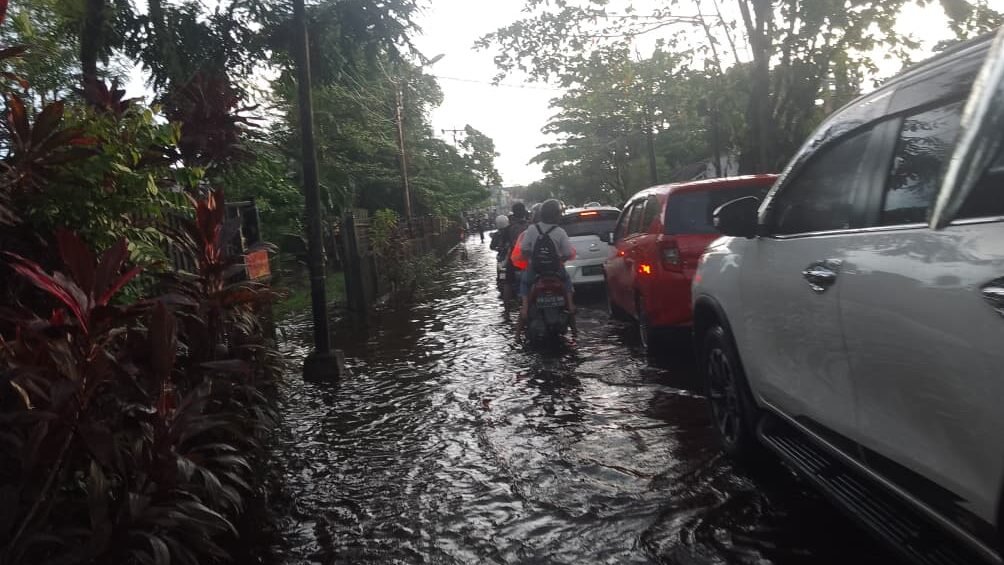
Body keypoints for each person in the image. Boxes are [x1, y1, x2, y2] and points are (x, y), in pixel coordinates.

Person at [515, 199, 576, 323]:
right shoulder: (560, 232)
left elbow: (524, 250)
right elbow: (568, 253)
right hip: (556, 270)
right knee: (567, 281)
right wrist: (560, 260)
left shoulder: (532, 229)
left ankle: (525, 308)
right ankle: (570, 305)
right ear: (557, 215)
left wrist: (532, 257)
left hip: (535, 269)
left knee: (525, 282)